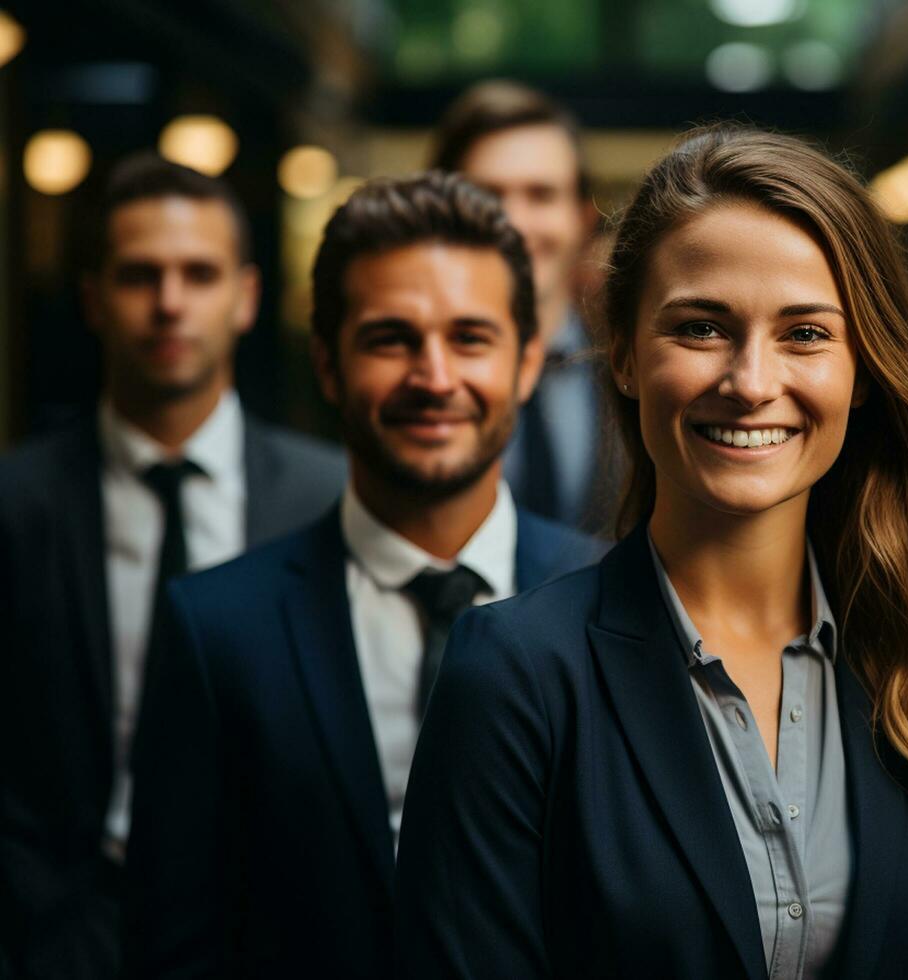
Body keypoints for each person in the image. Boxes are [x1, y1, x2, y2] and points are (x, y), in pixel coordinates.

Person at [394, 127, 908, 978]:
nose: (751, 380)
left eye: (806, 334)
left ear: (865, 370)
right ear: (628, 355)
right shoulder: (517, 676)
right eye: (702, 327)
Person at [123, 172, 606, 978]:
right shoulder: (215, 628)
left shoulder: (614, 601)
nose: (435, 377)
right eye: (391, 339)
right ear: (327, 363)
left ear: (526, 363)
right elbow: (173, 946)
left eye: (471, 338)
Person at [0, 155, 343, 979]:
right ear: (92, 299)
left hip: (274, 935)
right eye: (138, 275)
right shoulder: (14, 503)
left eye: (199, 273)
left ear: (247, 297)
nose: (170, 303)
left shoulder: (329, 496)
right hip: (61, 936)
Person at [431, 80, 610, 531]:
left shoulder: (637, 370)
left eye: (541, 195)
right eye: (486, 197)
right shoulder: (407, 376)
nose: (514, 222)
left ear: (582, 217)